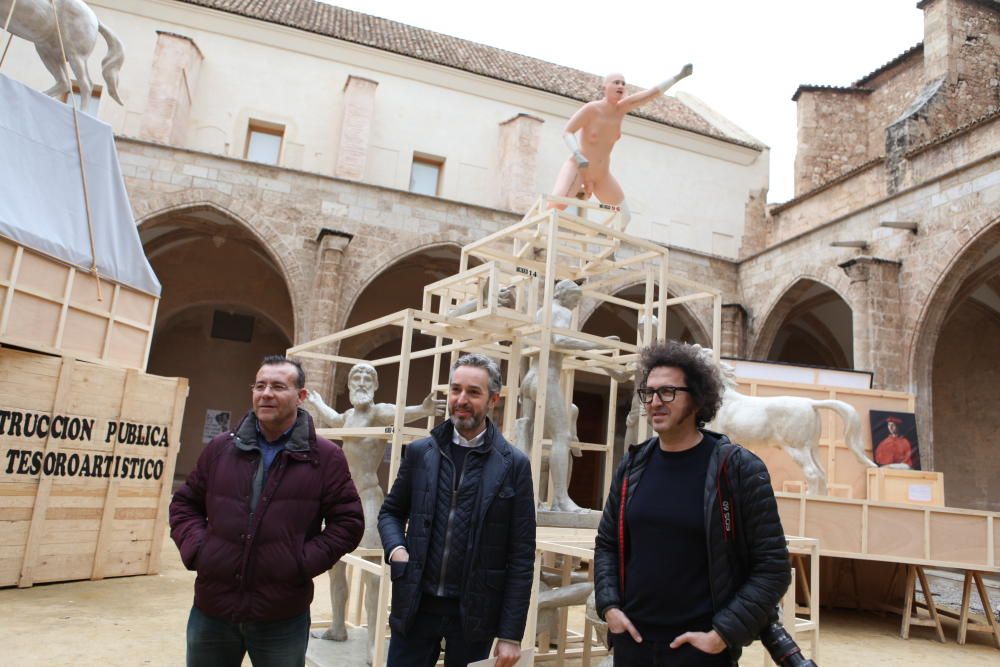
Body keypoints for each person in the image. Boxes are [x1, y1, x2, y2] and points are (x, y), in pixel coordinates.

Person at [594, 341, 790, 666]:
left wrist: (722, 635)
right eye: (649, 393)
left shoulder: (738, 469)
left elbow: (773, 568)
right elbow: (607, 544)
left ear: (698, 398)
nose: (655, 402)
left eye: (668, 392)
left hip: (699, 652)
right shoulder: (632, 466)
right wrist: (610, 607)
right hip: (633, 646)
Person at [170, 355, 364, 667]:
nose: (266, 393)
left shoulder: (324, 457)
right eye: (260, 385)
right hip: (213, 609)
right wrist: (200, 549)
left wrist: (300, 562)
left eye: (277, 386)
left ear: (301, 397)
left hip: (281, 615)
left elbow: (349, 522)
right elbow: (184, 504)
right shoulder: (221, 449)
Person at [378, 353, 536, 667]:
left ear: (494, 400)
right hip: (416, 602)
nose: (461, 399)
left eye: (473, 392)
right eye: (455, 390)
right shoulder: (421, 452)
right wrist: (397, 550)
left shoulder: (514, 465)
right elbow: (391, 512)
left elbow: (521, 554)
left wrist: (510, 634)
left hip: (476, 609)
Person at [304, 363, 444, 653]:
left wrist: (424, 408)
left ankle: (372, 642)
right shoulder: (349, 416)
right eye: (357, 376)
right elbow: (333, 418)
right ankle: (338, 626)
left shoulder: (379, 411)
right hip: (342, 498)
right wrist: (317, 402)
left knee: (372, 571)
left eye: (369, 377)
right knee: (336, 566)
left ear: (376, 385)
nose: (362, 381)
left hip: (368, 497)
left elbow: (403, 413)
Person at [518, 279, 622, 512]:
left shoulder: (541, 312)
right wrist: (596, 345)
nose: (575, 306)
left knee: (529, 435)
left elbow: (527, 349)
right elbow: (560, 340)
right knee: (562, 437)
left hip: (531, 378)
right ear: (565, 295)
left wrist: (522, 385)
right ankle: (561, 500)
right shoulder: (562, 311)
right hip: (547, 377)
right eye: (575, 300)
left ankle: (528, 497)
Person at [550, 64, 693, 230]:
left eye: (623, 83)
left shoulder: (622, 110)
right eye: (616, 82)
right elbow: (567, 132)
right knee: (557, 203)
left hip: (601, 175)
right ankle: (539, 236)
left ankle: (607, 252)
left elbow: (650, 95)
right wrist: (577, 153)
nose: (621, 86)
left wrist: (678, 76)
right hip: (579, 167)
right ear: (605, 87)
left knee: (624, 217)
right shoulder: (591, 109)